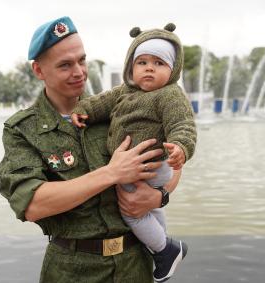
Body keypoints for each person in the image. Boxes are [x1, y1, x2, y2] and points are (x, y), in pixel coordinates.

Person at [0, 16, 183, 283]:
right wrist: (112, 173)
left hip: (135, 264)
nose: (79, 72)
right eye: (65, 65)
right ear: (39, 70)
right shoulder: (22, 130)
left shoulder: (119, 108)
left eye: (82, 60)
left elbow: (172, 164)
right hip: (72, 269)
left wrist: (158, 197)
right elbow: (32, 204)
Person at [71, 23, 197, 282]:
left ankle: (165, 250)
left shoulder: (170, 95)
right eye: (142, 62)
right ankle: (160, 250)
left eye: (159, 63)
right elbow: (101, 102)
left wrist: (181, 147)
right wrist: (83, 109)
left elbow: (183, 125)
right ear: (131, 67)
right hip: (137, 166)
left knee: (132, 211)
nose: (149, 68)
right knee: (152, 211)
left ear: (172, 70)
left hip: (147, 166)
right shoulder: (124, 91)